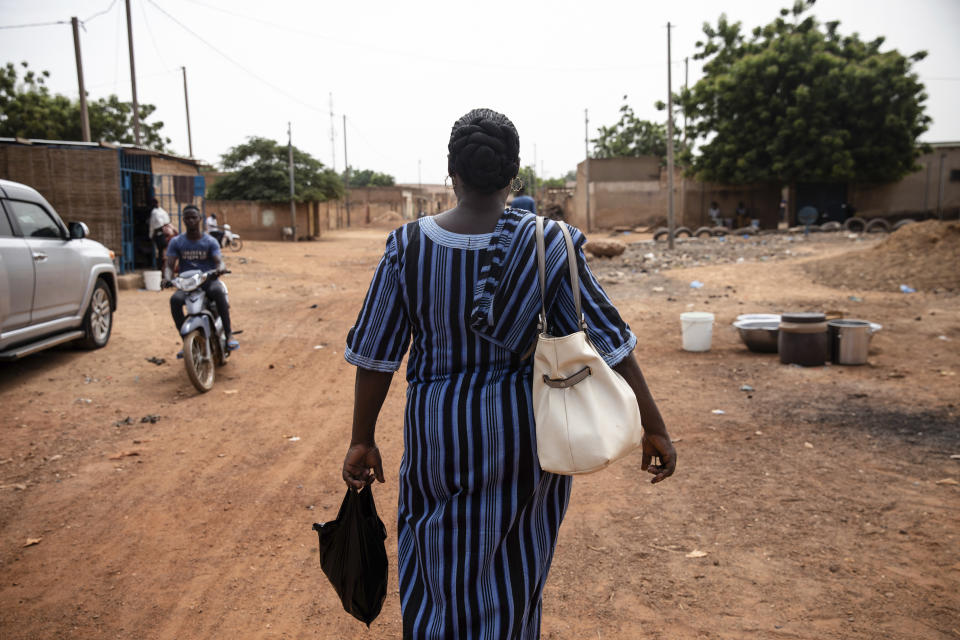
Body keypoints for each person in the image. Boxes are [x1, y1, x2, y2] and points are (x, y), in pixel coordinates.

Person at [341, 108, 676, 638]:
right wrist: (653, 425)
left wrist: (362, 440)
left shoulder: (407, 247)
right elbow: (611, 340)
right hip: (525, 439)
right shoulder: (549, 243)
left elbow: (375, 356)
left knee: (436, 566)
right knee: (515, 569)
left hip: (439, 439)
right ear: (514, 174)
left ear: (452, 172)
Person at [163, 205, 237, 350]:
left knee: (218, 293)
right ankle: (186, 340)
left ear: (200, 219)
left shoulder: (210, 241)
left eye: (194, 217)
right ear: (183, 220)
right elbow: (169, 264)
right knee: (175, 301)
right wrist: (167, 278)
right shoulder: (177, 242)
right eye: (187, 218)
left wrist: (220, 269)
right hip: (187, 284)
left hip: (207, 282)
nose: (190, 221)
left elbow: (218, 260)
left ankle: (229, 334)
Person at [148, 198, 171, 264]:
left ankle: (161, 265)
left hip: (159, 234)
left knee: (161, 251)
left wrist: (151, 235)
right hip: (166, 233)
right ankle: (163, 264)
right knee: (165, 250)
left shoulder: (154, 212)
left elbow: (153, 225)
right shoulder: (163, 211)